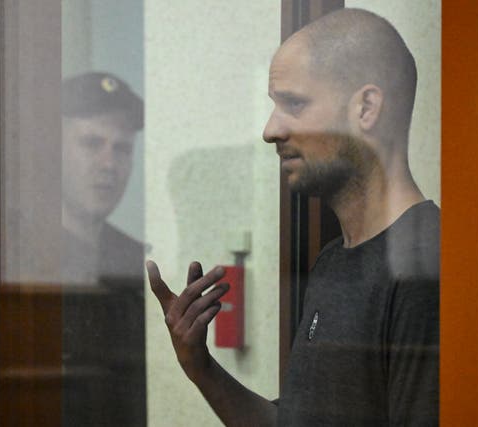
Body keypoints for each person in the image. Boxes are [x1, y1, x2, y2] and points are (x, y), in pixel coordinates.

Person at [147, 8, 438, 426]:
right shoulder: (334, 261)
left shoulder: (425, 267)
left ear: (367, 107)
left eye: (294, 104)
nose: (270, 129)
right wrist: (200, 366)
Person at [60, 72, 146, 426]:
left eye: (121, 148)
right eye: (92, 143)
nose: (109, 164)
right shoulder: (17, 254)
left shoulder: (134, 258)